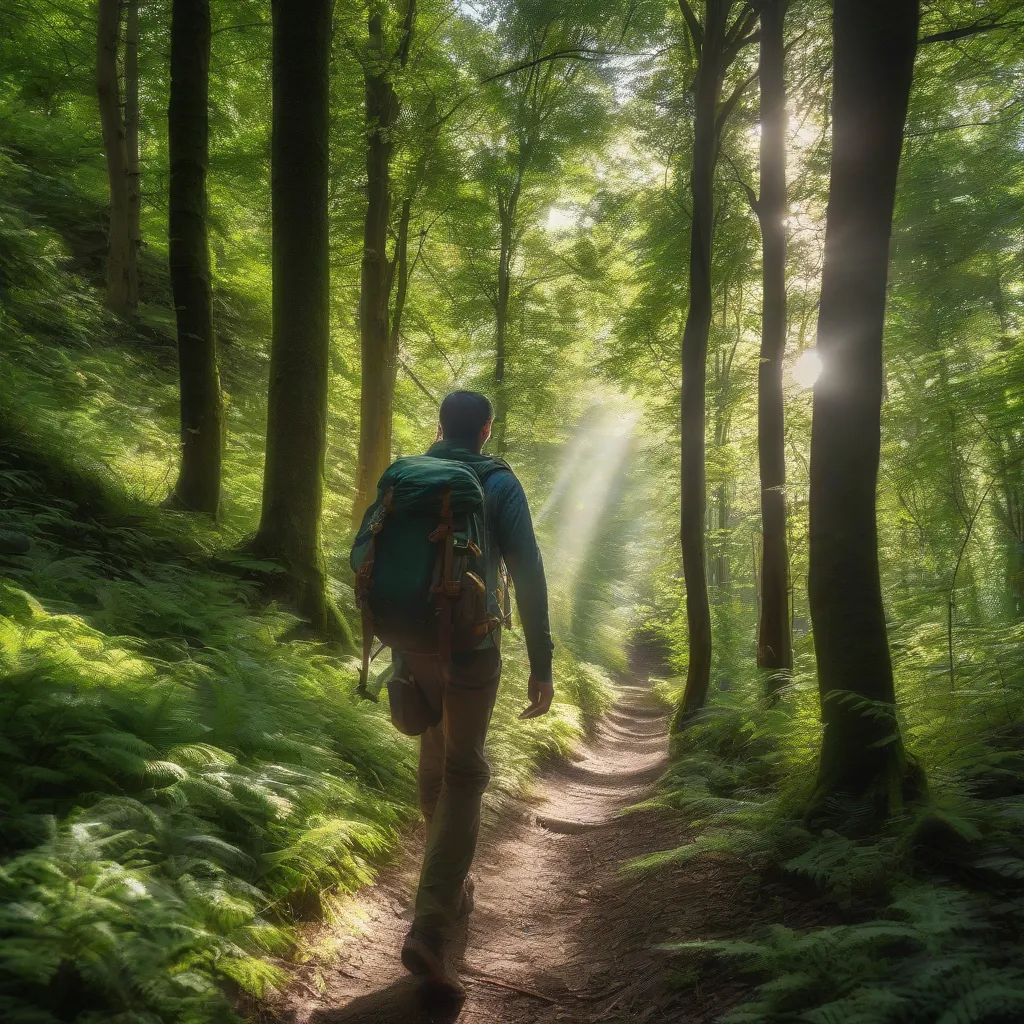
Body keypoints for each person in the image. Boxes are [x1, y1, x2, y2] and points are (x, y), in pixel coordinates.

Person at [398, 390, 554, 998]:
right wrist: (541, 661)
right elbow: (530, 572)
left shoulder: (412, 476)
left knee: (437, 760)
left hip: (412, 641)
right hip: (469, 644)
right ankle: (431, 930)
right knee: (464, 771)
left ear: (441, 426)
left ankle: (449, 880)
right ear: (486, 430)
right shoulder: (498, 482)